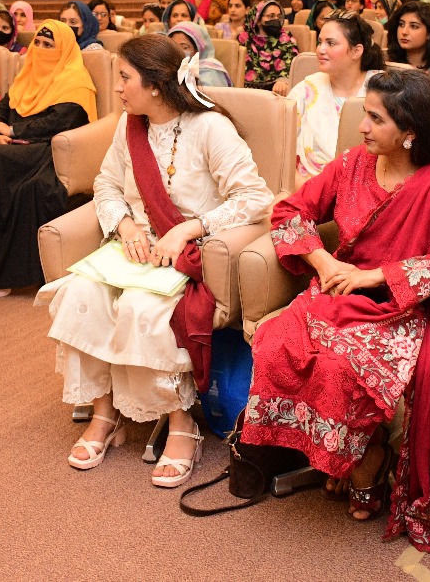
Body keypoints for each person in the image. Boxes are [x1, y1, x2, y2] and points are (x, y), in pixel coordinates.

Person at [242, 69, 430, 567]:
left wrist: (377, 275)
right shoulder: (354, 163)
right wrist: (324, 263)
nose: (362, 126)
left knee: (340, 367)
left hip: (398, 305)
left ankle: (367, 456)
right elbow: (290, 212)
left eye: (376, 119)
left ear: (411, 130)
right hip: (335, 290)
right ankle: (355, 449)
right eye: (364, 114)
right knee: (276, 343)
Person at [44, 34, 272, 485]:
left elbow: (254, 197)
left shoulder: (210, 128)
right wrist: (125, 226)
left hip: (189, 251)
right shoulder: (129, 125)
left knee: (139, 308)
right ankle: (105, 415)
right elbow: (107, 184)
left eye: (124, 78)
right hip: (134, 246)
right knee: (79, 294)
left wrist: (187, 229)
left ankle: (181, 423)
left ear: (155, 85)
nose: (117, 87)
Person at [0, 21, 95, 302]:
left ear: (64, 50)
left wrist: (12, 131)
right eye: (38, 43)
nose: (41, 49)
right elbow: (1, 107)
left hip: (46, 152)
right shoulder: (27, 75)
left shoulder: (76, 81)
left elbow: (61, 122)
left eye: (49, 45)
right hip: (13, 150)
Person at [286, 12, 385, 183]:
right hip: (308, 184)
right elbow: (282, 151)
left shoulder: (382, 90)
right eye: (320, 42)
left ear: (356, 51)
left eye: (331, 43)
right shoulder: (306, 90)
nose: (320, 50)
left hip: (367, 186)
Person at [238, 0, 299, 95]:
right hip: (246, 92)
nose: (276, 19)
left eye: (279, 16)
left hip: (277, 92)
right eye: (271, 16)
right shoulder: (244, 39)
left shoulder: (286, 38)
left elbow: (293, 62)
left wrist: (283, 80)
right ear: (258, 19)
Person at [386, 1, 430, 77]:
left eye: (414, 26)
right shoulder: (387, 64)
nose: (404, 32)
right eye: (401, 24)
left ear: (429, 33)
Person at [167, 22, 231, 87]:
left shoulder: (210, 73)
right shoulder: (168, 68)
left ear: (197, 50)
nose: (178, 51)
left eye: (185, 47)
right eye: (174, 47)